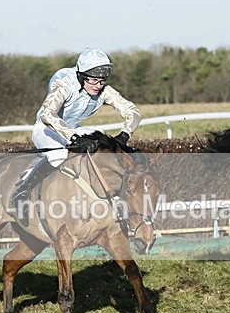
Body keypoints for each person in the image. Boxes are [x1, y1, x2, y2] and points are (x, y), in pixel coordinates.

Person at [11, 48, 141, 223]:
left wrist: (124, 135)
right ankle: (22, 192)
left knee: (104, 147)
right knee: (58, 155)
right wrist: (74, 137)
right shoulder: (64, 85)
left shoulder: (104, 90)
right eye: (94, 80)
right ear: (81, 76)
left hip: (73, 128)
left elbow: (132, 111)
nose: (98, 86)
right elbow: (47, 115)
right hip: (46, 128)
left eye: (102, 81)